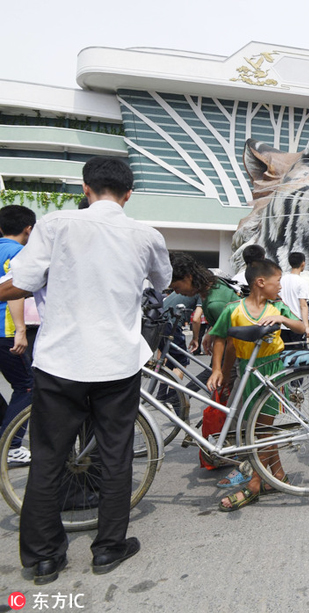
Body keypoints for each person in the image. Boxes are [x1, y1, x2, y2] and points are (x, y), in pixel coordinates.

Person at [1, 156, 171, 584]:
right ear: (129, 194)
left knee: (48, 458)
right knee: (115, 456)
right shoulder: (146, 235)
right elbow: (162, 281)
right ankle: (109, 549)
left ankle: (44, 558)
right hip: (117, 363)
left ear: (85, 188)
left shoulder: (56, 224)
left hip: (61, 361)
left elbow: (22, 281)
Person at [206, 258, 307, 512]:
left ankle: (254, 483)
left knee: (262, 429)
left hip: (273, 370)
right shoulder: (234, 309)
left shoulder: (277, 306)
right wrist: (218, 369)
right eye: (278, 281)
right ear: (261, 282)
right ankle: (278, 476)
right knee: (261, 430)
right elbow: (220, 338)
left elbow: (301, 327)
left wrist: (282, 319)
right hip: (247, 370)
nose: (280, 286)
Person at [0, 205, 36, 466]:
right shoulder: (20, 253)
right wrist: (21, 331)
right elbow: (16, 291)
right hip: (5, 331)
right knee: (27, 386)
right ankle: (11, 446)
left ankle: (5, 434)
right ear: (28, 229)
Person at [169, 252, 240, 355]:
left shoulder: (215, 303)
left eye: (177, 287)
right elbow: (222, 321)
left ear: (188, 277)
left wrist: (218, 365)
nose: (176, 292)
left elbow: (232, 342)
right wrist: (211, 331)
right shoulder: (212, 285)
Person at [279, 252, 309, 346]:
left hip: (282, 323)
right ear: (303, 263)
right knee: (298, 352)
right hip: (296, 324)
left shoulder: (281, 280)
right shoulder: (302, 282)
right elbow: (303, 306)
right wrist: (306, 327)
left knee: (283, 351)